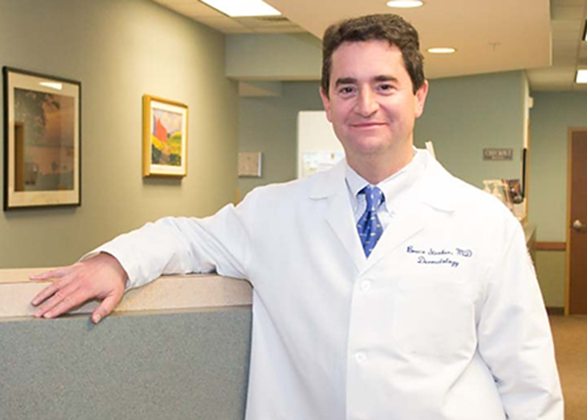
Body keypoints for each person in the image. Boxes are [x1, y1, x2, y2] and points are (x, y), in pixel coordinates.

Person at [31, 13, 563, 420]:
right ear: (327, 102)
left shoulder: (482, 222)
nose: (365, 104)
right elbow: (185, 237)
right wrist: (116, 261)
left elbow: (528, 382)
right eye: (347, 88)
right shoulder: (275, 211)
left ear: (419, 95)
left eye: (385, 85)